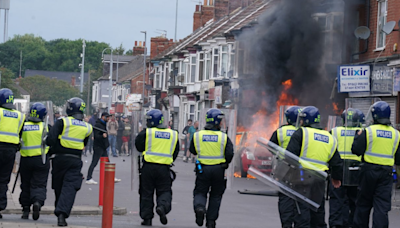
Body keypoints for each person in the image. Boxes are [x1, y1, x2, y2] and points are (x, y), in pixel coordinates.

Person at [286, 106, 342, 228]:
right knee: (318, 209)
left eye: (301, 120)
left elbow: (289, 155)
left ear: (306, 120)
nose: (300, 122)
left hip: (301, 177)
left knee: (302, 210)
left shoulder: (302, 132)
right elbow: (337, 162)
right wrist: (336, 178)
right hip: (320, 179)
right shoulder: (329, 137)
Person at [352, 101, 400, 228]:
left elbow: (356, 150)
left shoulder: (368, 131)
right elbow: (399, 159)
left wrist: (358, 136)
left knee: (363, 205)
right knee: (381, 208)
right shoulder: (396, 134)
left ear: (375, 116)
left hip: (368, 171)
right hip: (386, 173)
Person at [46, 97, 92, 226]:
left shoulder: (62, 122)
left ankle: (59, 210)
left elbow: (51, 140)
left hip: (59, 159)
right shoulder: (88, 127)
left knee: (59, 187)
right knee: (70, 188)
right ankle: (62, 214)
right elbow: (84, 144)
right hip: (76, 160)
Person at [189, 109, 234, 228]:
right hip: (218, 170)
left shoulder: (198, 135)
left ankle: (199, 208)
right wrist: (225, 163)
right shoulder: (223, 137)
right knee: (215, 196)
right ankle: (211, 221)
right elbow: (230, 153)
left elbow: (192, 150)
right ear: (218, 121)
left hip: (202, 169)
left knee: (200, 192)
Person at [135, 109, 179, 226]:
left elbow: (138, 146)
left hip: (148, 167)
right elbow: (175, 151)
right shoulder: (173, 134)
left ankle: (147, 218)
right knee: (164, 191)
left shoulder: (147, 133)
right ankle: (162, 207)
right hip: (164, 168)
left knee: (146, 193)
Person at [329, 108, 363, 228]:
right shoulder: (361, 131)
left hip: (338, 169)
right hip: (356, 171)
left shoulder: (334, 131)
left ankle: (336, 225)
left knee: (337, 200)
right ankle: (353, 224)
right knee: (355, 201)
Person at [269, 106, 300, 228]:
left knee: (285, 197)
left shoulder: (280, 131)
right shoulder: (304, 131)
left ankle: (286, 223)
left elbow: (271, 147)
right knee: (300, 197)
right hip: (301, 170)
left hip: (284, 168)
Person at [19, 102, 50, 220]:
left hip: (25, 159)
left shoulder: (24, 126)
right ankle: (37, 202)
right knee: (39, 184)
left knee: (25, 185)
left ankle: (25, 209)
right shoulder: (45, 127)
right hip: (41, 159)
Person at [0, 88, 25, 219]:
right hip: (10, 150)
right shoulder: (20, 115)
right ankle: (0, 206)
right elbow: (20, 134)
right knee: (3, 180)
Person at [86, 112, 110, 185]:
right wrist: (103, 136)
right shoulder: (98, 125)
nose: (108, 119)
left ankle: (110, 176)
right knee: (94, 162)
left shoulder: (103, 124)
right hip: (98, 147)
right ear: (103, 117)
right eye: (107, 117)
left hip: (103, 147)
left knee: (107, 162)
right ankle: (89, 178)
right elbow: (96, 136)